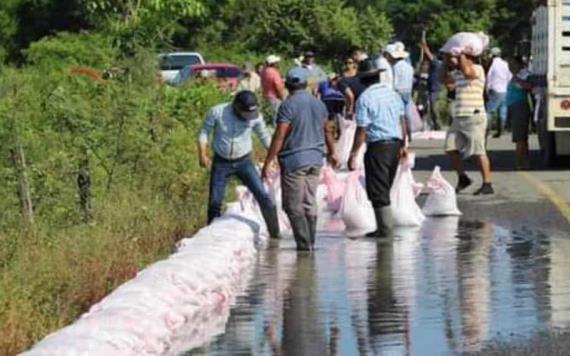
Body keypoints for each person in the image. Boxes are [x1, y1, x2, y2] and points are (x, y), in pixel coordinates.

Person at [261, 67, 338, 251]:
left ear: (287, 84)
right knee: (309, 201)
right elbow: (327, 129)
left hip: (294, 161)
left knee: (292, 205)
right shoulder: (318, 103)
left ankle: (304, 246)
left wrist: (268, 160)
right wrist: (332, 151)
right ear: (305, 84)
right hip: (315, 160)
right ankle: (311, 242)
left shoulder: (287, 105)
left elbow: (280, 134)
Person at [198, 90, 281, 237]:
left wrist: (275, 156)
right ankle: (210, 236)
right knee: (215, 203)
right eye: (245, 114)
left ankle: (275, 234)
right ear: (236, 106)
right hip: (221, 163)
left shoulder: (255, 118)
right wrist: (202, 153)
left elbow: (264, 136)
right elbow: (204, 131)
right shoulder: (217, 112)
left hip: (244, 162)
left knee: (263, 196)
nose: (247, 118)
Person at [347, 58, 408, 238]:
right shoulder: (392, 94)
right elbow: (402, 121)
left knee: (378, 190)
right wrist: (404, 144)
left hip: (378, 147)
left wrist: (353, 154)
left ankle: (385, 232)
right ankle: (383, 228)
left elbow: (362, 130)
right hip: (395, 144)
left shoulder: (365, 99)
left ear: (362, 80)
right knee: (384, 186)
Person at [443, 52, 494, 195]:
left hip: (474, 115)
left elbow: (468, 73)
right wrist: (445, 61)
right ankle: (463, 177)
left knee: (478, 151)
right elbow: (446, 82)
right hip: (459, 116)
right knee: (450, 148)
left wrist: (461, 54)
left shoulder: (477, 69)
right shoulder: (458, 73)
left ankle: (487, 183)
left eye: (456, 58)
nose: (454, 60)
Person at [507, 56, 533, 170]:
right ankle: (524, 161)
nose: (510, 67)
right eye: (509, 64)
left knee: (520, 138)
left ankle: (519, 163)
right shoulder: (514, 76)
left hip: (520, 107)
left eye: (513, 64)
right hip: (514, 107)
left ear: (519, 65)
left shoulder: (524, 75)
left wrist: (518, 80)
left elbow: (529, 86)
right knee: (521, 137)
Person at [386, 42, 415, 137]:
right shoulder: (409, 67)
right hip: (407, 91)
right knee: (407, 113)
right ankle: (408, 131)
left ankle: (402, 132)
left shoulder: (395, 67)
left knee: (399, 114)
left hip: (398, 91)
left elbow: (394, 81)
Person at [486, 47, 513, 137]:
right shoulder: (505, 64)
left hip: (495, 89)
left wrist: (487, 87)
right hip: (504, 89)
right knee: (502, 110)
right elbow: (510, 76)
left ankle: (487, 130)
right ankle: (501, 131)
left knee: (489, 110)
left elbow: (489, 76)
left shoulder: (492, 64)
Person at [420, 41, 443, 130]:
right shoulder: (436, 64)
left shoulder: (437, 64)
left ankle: (437, 124)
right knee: (428, 106)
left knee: (433, 106)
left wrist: (425, 48)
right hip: (431, 87)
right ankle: (432, 123)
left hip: (435, 88)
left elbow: (430, 56)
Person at [261, 55, 287, 121]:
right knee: (277, 118)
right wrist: (282, 97)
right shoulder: (274, 72)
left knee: (270, 117)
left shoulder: (264, 71)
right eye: (276, 62)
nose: (278, 64)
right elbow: (278, 86)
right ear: (273, 63)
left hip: (266, 96)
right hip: (275, 97)